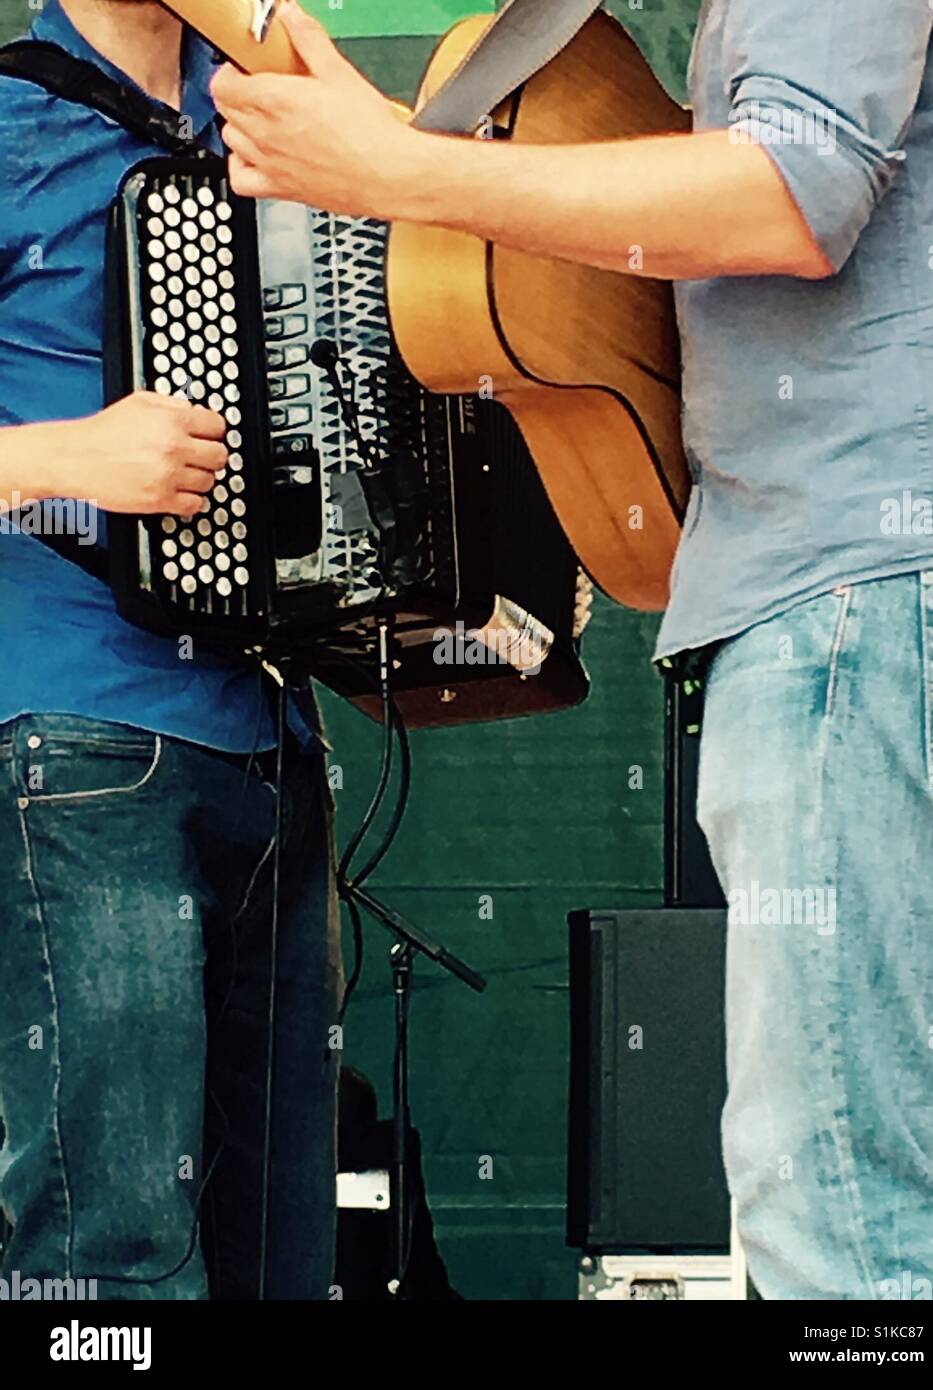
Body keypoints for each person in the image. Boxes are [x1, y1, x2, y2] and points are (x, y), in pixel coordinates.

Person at [212, 1, 933, 1298]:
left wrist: (404, 171)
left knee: (844, 1204)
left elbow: (790, 187)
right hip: (863, 586)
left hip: (858, 583)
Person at [0, 0, 342, 1300]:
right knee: (114, 1260)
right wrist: (57, 459)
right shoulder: (9, 110)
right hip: (79, 730)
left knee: (279, 1263)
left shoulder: (281, 116)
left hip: (269, 740)